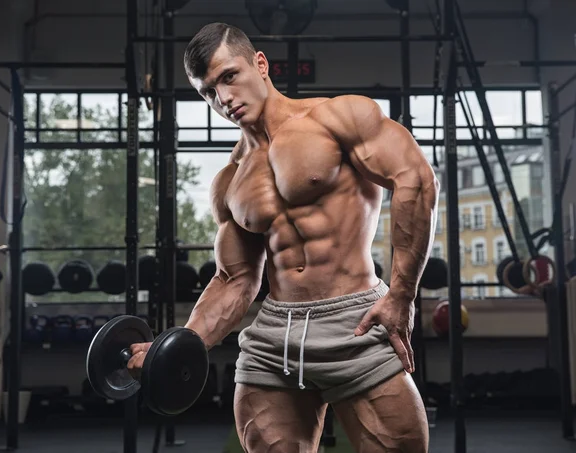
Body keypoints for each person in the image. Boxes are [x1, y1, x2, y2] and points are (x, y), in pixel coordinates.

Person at [128, 22, 439, 453]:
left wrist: (402, 295)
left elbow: (415, 179)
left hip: (355, 322)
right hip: (275, 335)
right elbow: (234, 279)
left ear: (260, 64)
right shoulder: (230, 181)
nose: (223, 99)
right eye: (207, 92)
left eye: (228, 77)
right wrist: (178, 345)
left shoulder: (340, 117)